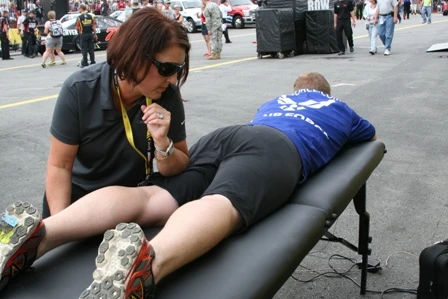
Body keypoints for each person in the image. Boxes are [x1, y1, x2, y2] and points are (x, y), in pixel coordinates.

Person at [0, 72, 377, 298]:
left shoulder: (275, 101)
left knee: (153, 199)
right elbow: (367, 135)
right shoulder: (336, 107)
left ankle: (43, 233)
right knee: (223, 202)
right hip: (276, 149)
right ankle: (147, 264)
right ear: (326, 94)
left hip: (229, 136)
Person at [39, 8, 188, 218]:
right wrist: (59, 228)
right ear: (134, 56)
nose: (173, 79)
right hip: (77, 204)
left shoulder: (166, 94)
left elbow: (180, 166)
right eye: (167, 69)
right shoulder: (80, 89)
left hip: (129, 205)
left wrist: (163, 145)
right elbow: (59, 166)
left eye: (178, 69)